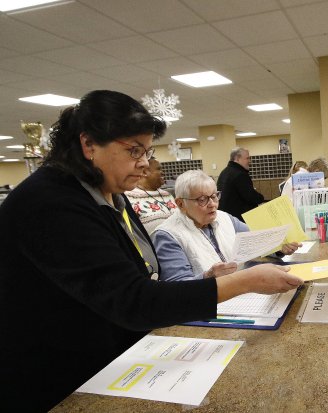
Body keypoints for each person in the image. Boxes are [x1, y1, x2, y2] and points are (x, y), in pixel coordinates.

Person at [0, 90, 303, 412]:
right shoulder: (50, 203)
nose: (145, 164)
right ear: (88, 145)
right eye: (133, 151)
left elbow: (143, 272)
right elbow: (133, 300)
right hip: (57, 376)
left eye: (147, 151)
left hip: (113, 360)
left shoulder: (111, 192)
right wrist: (245, 281)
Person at [153, 169, 301, 282]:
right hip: (208, 303)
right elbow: (178, 286)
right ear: (181, 204)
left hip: (240, 288)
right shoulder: (168, 235)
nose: (212, 204)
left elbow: (257, 239)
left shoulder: (224, 218)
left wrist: (279, 247)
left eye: (214, 196)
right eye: (202, 199)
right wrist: (208, 276)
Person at [125, 157, 177, 234]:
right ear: (145, 172)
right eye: (158, 169)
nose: (163, 173)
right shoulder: (129, 197)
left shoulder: (168, 195)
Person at [217, 147, 264, 221]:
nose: (250, 161)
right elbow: (251, 197)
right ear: (237, 159)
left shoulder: (224, 172)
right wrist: (261, 198)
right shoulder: (240, 175)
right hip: (239, 219)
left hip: (227, 217)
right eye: (247, 158)